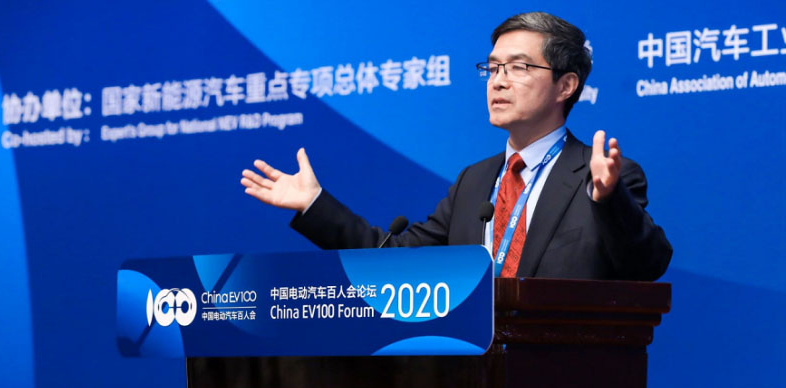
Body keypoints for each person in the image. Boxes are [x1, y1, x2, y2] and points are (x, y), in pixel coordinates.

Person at [241, 12, 672, 281]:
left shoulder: (603, 180)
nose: (498, 81)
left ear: (566, 85)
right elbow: (396, 262)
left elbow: (646, 266)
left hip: (559, 380)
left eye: (519, 67)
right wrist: (314, 204)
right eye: (493, 67)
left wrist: (608, 200)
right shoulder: (475, 181)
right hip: (471, 378)